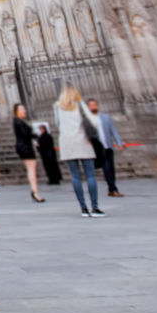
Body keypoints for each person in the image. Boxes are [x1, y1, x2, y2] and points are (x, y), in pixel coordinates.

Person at [53, 85, 105, 217]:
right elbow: (94, 121)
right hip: (82, 142)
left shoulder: (57, 106)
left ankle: (83, 208)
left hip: (67, 144)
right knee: (90, 175)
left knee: (75, 177)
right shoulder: (80, 104)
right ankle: (95, 208)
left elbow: (57, 123)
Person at [86, 98, 126, 197]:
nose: (93, 107)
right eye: (90, 105)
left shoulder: (106, 117)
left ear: (97, 106)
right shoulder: (87, 120)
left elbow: (113, 131)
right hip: (99, 149)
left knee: (111, 169)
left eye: (94, 105)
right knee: (106, 168)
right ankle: (114, 189)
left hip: (108, 147)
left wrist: (119, 143)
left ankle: (111, 189)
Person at [10, 104, 44, 203]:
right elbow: (25, 134)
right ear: (16, 111)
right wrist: (36, 135)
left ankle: (35, 191)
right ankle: (35, 192)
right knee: (31, 169)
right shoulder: (18, 122)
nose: (24, 110)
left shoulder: (19, 121)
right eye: (21, 109)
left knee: (31, 169)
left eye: (24, 108)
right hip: (25, 147)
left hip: (24, 147)